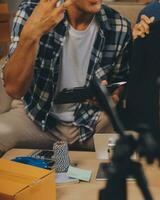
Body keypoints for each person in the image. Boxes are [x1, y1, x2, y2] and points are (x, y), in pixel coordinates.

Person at [0, 0, 132, 156]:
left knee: (130, 154)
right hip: (36, 117)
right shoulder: (31, 12)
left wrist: (113, 96)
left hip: (92, 122)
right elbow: (13, 89)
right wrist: (32, 34)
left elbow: (120, 82)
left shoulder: (120, 26)